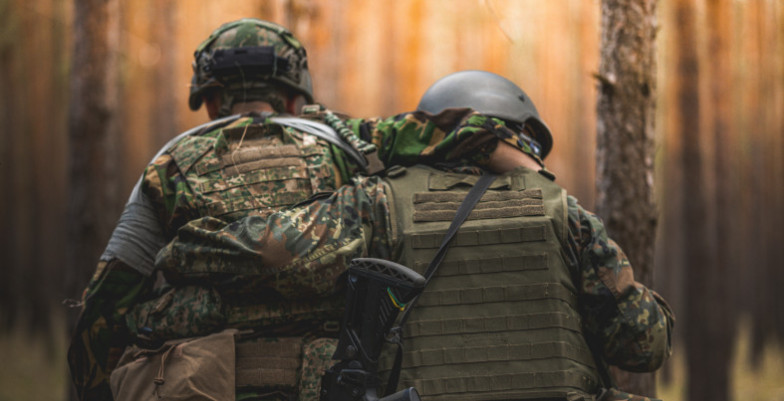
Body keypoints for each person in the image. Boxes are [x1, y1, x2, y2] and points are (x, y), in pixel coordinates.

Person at [67, 18, 543, 400]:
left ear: (209, 100)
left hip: (200, 380)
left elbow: (101, 314)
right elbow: (465, 131)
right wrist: (526, 167)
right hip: (331, 381)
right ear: (296, 94)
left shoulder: (167, 166)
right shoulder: (348, 140)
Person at [157, 71, 675, 401]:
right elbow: (643, 343)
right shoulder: (568, 215)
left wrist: (182, 249)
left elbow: (270, 253)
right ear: (522, 135)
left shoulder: (378, 201)